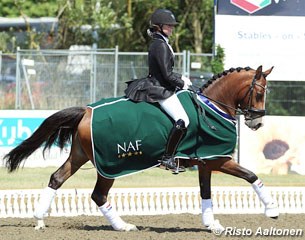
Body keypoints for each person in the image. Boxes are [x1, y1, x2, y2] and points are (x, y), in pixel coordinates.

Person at [125, 9, 192, 172]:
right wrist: (181, 83)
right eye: (168, 25)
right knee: (183, 119)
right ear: (159, 26)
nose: (172, 28)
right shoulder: (160, 45)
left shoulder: (161, 42)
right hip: (159, 88)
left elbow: (166, 70)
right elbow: (166, 74)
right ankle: (167, 158)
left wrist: (182, 77)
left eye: (172, 25)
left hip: (162, 84)